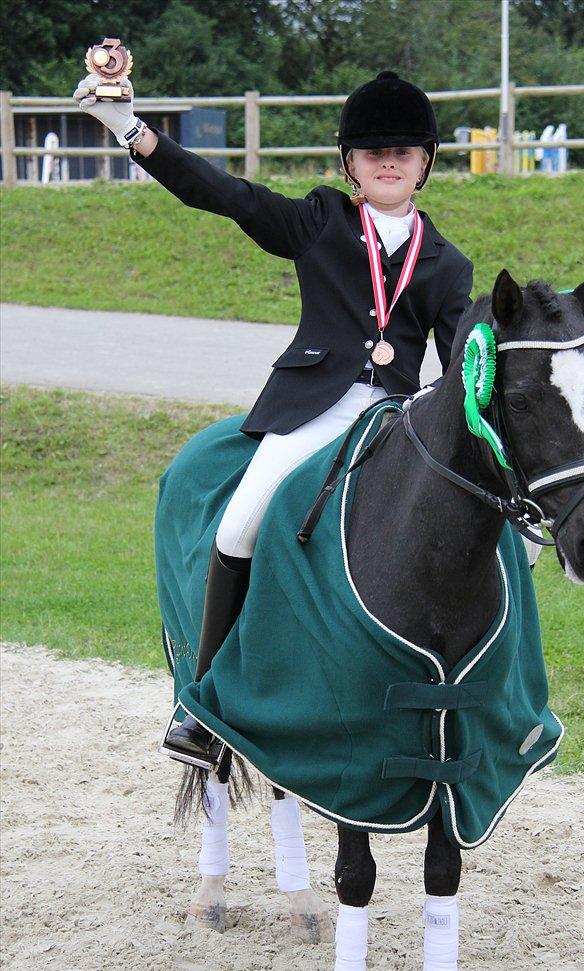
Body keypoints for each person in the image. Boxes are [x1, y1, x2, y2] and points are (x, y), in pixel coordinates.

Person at [74, 69, 474, 765]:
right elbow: (224, 195)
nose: (388, 161)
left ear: (424, 164)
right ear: (348, 163)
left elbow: (463, 366)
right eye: (373, 151)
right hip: (314, 409)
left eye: (403, 152)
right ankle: (205, 705)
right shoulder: (319, 220)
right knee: (239, 525)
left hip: (392, 417)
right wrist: (128, 130)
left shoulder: (448, 263)